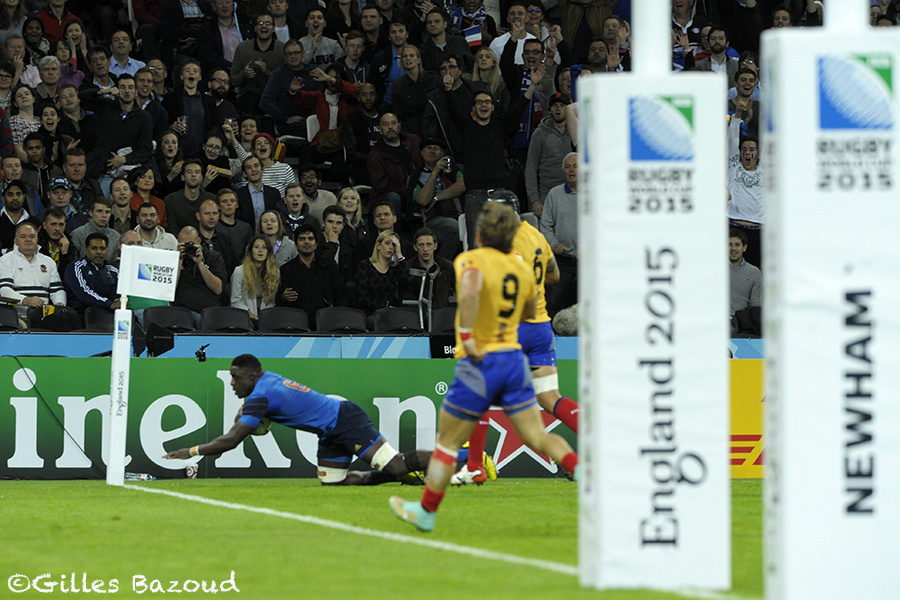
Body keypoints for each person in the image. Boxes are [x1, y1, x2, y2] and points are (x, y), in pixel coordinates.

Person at [389, 202, 578, 531]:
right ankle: (585, 474)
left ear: (479, 234)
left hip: (480, 361)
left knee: (448, 443)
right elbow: (529, 308)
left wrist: (467, 337)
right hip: (513, 359)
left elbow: (470, 294)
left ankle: (426, 511)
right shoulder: (521, 269)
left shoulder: (470, 260)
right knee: (538, 434)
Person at [452, 190, 578, 485]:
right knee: (549, 397)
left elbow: (510, 276)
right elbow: (554, 274)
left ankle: (475, 466)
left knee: (478, 393)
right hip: (541, 327)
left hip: (513, 326)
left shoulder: (507, 241)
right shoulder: (535, 235)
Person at [163, 353, 431, 486]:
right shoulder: (264, 381)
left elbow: (232, 440)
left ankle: (454, 460)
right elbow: (247, 415)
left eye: (236, 377)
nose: (232, 383)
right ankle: (400, 476)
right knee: (334, 483)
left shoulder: (261, 396)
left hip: (346, 420)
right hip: (329, 432)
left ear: (252, 376)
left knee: (396, 464)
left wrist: (191, 451)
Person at [277, 223, 348, 329]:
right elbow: (280, 301)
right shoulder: (286, 270)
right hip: (298, 323)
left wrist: (337, 313)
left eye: (310, 239)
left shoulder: (329, 265)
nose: (306, 242)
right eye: (302, 239)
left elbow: (341, 293)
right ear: (296, 245)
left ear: (316, 244)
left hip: (327, 320)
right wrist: (283, 297)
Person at [0, 221, 66, 326]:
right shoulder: (5, 260)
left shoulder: (48, 261)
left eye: (32, 236)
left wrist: (59, 305)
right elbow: (3, 291)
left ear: (37, 240)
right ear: (15, 241)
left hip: (44, 317)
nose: (28, 239)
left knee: (66, 318)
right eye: (23, 236)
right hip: (15, 317)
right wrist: (26, 300)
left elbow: (57, 290)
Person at [410, 137, 463, 260]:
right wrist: (435, 172)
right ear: (422, 153)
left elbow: (462, 185)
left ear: (443, 154)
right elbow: (422, 201)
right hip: (434, 219)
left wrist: (437, 198)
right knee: (456, 229)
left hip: (458, 214)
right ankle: (440, 265)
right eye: (428, 148)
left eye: (436, 148)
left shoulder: (452, 170)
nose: (432, 151)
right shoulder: (415, 176)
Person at [540, 152, 578, 316]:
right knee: (554, 304)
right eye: (568, 167)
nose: (571, 170)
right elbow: (545, 225)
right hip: (561, 260)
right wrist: (554, 244)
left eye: (575, 166)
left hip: (587, 261)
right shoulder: (554, 194)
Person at [525, 92, 572, 217]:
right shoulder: (540, 133)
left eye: (562, 105)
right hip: (547, 194)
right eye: (555, 105)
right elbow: (531, 168)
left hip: (573, 191)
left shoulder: (576, 131)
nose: (558, 109)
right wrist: (535, 199)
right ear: (549, 110)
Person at [229, 13, 285, 116]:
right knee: (250, 100)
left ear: (273, 29)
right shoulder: (243, 48)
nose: (264, 26)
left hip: (274, 97)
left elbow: (285, 83)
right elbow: (233, 82)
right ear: (255, 28)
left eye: (268, 23)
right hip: (249, 96)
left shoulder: (282, 49)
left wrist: (267, 72)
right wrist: (243, 74)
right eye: (260, 23)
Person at [368, 112, 421, 216]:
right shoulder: (376, 154)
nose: (390, 127)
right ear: (380, 130)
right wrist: (410, 192)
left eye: (393, 123)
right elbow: (382, 186)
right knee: (393, 197)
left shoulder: (413, 141)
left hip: (416, 192)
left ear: (399, 126)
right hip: (390, 196)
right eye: (385, 124)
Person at [173, 226, 227, 325]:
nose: (188, 248)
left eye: (191, 244)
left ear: (199, 241)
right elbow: (170, 290)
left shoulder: (214, 257)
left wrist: (200, 263)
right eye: (184, 244)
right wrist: (179, 260)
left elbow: (218, 289)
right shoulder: (173, 259)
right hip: (182, 313)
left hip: (209, 312)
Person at [352, 228, 406, 326]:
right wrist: (386, 307)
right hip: (367, 313)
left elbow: (405, 281)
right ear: (378, 245)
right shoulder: (365, 266)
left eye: (394, 245)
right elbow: (363, 297)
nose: (391, 247)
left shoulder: (394, 269)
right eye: (387, 243)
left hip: (389, 314)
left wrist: (399, 254)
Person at [728, 132, 763, 270]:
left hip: (757, 230)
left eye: (752, 149)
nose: (747, 153)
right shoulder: (733, 166)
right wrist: (735, 120)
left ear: (759, 153)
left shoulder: (765, 169)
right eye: (744, 149)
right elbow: (732, 140)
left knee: (757, 270)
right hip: (733, 227)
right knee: (730, 270)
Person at [398, 227, 455, 312]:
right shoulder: (408, 268)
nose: (425, 249)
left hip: (441, 315)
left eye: (429, 244)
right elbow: (406, 299)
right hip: (416, 315)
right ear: (415, 247)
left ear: (435, 246)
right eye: (421, 245)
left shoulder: (447, 267)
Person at [63, 231, 121, 313]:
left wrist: (115, 302)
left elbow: (117, 295)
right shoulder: (75, 267)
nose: (99, 252)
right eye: (94, 248)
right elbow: (84, 293)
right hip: (80, 314)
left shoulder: (114, 271)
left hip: (107, 314)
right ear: (86, 250)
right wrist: (109, 304)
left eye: (102, 248)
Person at [231, 234, 279, 321]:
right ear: (251, 251)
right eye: (256, 247)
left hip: (266, 319)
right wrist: (254, 317)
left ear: (268, 252)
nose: (260, 250)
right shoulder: (239, 271)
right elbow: (235, 302)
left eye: (264, 247)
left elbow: (272, 302)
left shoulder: (274, 273)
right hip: (243, 319)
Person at [164, 158, 216, 234]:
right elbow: (172, 230)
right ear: (183, 177)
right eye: (189, 172)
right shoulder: (171, 200)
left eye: (197, 172)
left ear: (202, 177)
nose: (193, 175)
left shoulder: (212, 200)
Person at [70, 197, 121, 261]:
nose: (104, 215)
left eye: (107, 212)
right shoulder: (77, 234)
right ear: (91, 213)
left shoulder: (116, 237)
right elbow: (72, 263)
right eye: (99, 211)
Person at [236, 154, 280, 227]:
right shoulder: (238, 195)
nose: (253, 169)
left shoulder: (274, 193)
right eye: (249, 167)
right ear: (244, 173)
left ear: (263, 169)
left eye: (256, 166)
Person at [196, 198, 237, 276]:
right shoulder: (193, 240)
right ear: (198, 216)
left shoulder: (226, 240)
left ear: (219, 215)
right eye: (207, 213)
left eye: (214, 213)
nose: (211, 217)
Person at [729, 228, 761, 319]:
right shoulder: (715, 269)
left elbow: (756, 305)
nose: (733, 248)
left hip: (741, 322)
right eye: (729, 244)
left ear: (744, 247)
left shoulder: (754, 272)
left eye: (737, 245)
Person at [0, 177, 39, 252]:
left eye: (18, 194)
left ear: (23, 197)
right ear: (3, 199)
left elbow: (42, 248)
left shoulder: (34, 222)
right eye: (10, 194)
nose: (15, 198)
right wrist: (7, 252)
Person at [38, 206, 77, 277]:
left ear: (65, 225)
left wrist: (65, 254)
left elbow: (69, 276)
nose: (57, 228)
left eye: (61, 225)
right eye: (53, 224)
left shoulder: (71, 246)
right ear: (45, 225)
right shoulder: (36, 244)